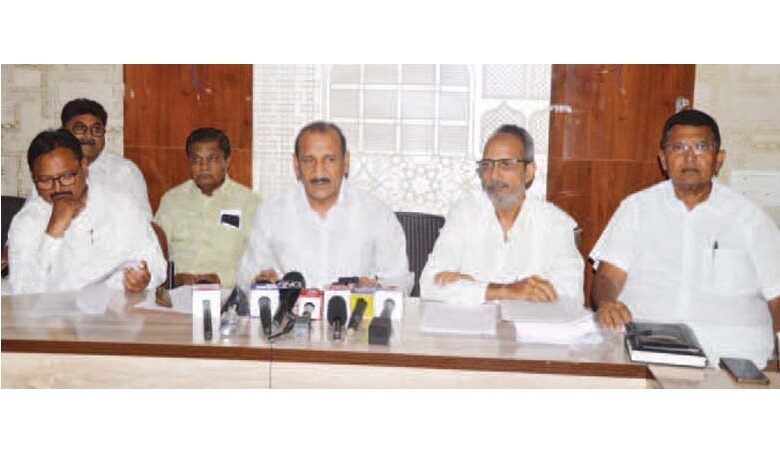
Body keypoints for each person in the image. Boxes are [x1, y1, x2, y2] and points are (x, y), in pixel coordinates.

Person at [590, 109, 780, 368]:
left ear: (719, 159)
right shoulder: (636, 209)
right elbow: (608, 277)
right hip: (645, 351)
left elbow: (777, 296)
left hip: (734, 359)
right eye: (678, 147)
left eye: (701, 147)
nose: (689, 157)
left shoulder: (751, 218)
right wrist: (607, 302)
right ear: (663, 159)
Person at [420, 124, 584, 306]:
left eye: (506, 164)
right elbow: (429, 285)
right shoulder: (465, 214)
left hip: (528, 324)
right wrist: (505, 290)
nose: (494, 175)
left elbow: (570, 297)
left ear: (528, 171)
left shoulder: (556, 224)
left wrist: (473, 289)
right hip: (471, 324)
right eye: (487, 165)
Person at [237, 121, 411, 292]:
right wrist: (260, 282)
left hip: (356, 310)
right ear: (296, 165)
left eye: (329, 160)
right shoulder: (270, 213)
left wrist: (377, 290)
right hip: (288, 310)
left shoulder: (377, 214)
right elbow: (247, 279)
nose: (319, 172)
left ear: (345, 162)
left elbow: (398, 280)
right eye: (309, 160)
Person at [7, 129, 166, 294]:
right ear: (34, 177)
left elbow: (157, 266)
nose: (57, 188)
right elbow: (23, 292)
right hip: (56, 310)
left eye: (67, 176)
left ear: (84, 166)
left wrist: (143, 279)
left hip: (119, 306)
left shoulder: (122, 204)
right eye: (45, 180)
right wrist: (53, 232)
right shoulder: (27, 221)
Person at [154, 128, 259, 287]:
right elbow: (153, 254)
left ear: (227, 161)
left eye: (213, 159)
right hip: (178, 293)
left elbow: (260, 262)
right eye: (196, 160)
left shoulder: (250, 203)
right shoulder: (172, 201)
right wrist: (174, 280)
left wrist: (223, 281)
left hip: (227, 295)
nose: (203, 167)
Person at [59, 98, 152, 219]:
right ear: (63, 131)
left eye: (96, 129)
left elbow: (144, 221)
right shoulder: (51, 169)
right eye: (80, 128)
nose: (88, 136)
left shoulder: (125, 172)